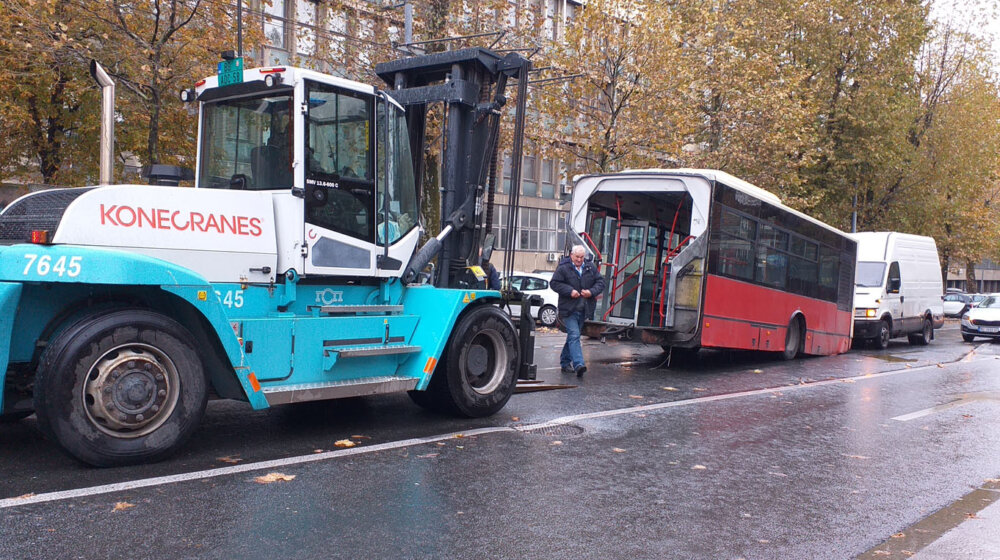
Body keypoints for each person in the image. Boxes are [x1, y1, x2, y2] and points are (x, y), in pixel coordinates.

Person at [549, 245, 605, 377]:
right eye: (577, 257)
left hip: (584, 308)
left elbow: (601, 282)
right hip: (568, 309)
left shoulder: (590, 267)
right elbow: (554, 283)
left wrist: (591, 292)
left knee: (572, 337)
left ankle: (564, 362)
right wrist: (570, 291)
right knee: (574, 335)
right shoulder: (563, 268)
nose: (579, 260)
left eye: (581, 257)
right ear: (571, 255)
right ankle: (579, 364)